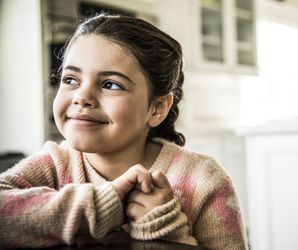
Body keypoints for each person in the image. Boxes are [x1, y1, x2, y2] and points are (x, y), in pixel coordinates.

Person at [0, 14, 247, 249]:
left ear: (158, 108)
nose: (82, 97)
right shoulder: (54, 164)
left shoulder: (204, 179)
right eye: (71, 80)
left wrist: (166, 231)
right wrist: (96, 207)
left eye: (111, 84)